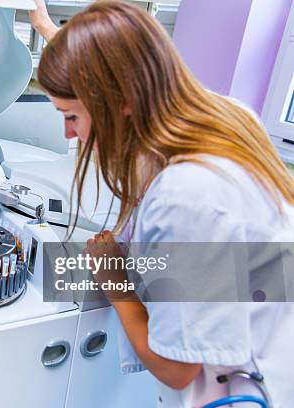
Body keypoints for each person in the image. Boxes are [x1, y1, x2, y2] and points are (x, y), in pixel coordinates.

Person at [29, 1, 294, 407]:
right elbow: (115, 67)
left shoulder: (186, 196)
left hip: (242, 388)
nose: (68, 134)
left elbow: (178, 367)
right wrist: (48, 29)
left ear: (121, 102)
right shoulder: (225, 114)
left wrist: (114, 281)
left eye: (72, 117)